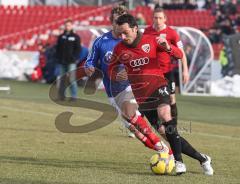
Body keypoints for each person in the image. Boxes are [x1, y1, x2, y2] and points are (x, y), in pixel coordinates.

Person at [108, 13, 213, 175]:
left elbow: (179, 55)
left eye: (125, 33)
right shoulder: (119, 48)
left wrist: (168, 46)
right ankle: (203, 158)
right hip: (142, 97)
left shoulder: (151, 40)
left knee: (165, 114)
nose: (122, 36)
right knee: (167, 133)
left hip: (159, 85)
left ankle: (179, 162)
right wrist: (117, 75)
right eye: (119, 33)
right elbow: (111, 71)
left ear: (135, 29)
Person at [84, 6, 170, 153]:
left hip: (134, 87)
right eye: (118, 20)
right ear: (112, 22)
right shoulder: (101, 42)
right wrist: (89, 67)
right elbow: (89, 61)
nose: (121, 24)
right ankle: (162, 149)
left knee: (152, 122)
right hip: (113, 92)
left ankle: (172, 149)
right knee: (134, 129)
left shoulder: (135, 40)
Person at [56, 19, 81, 101]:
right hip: (62, 62)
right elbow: (58, 49)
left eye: (69, 25)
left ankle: (74, 96)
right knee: (62, 79)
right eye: (66, 25)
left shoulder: (76, 37)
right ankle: (61, 96)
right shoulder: (61, 37)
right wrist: (58, 58)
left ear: (72, 26)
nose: (67, 27)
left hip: (71, 62)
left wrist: (75, 58)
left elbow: (78, 49)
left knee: (71, 79)